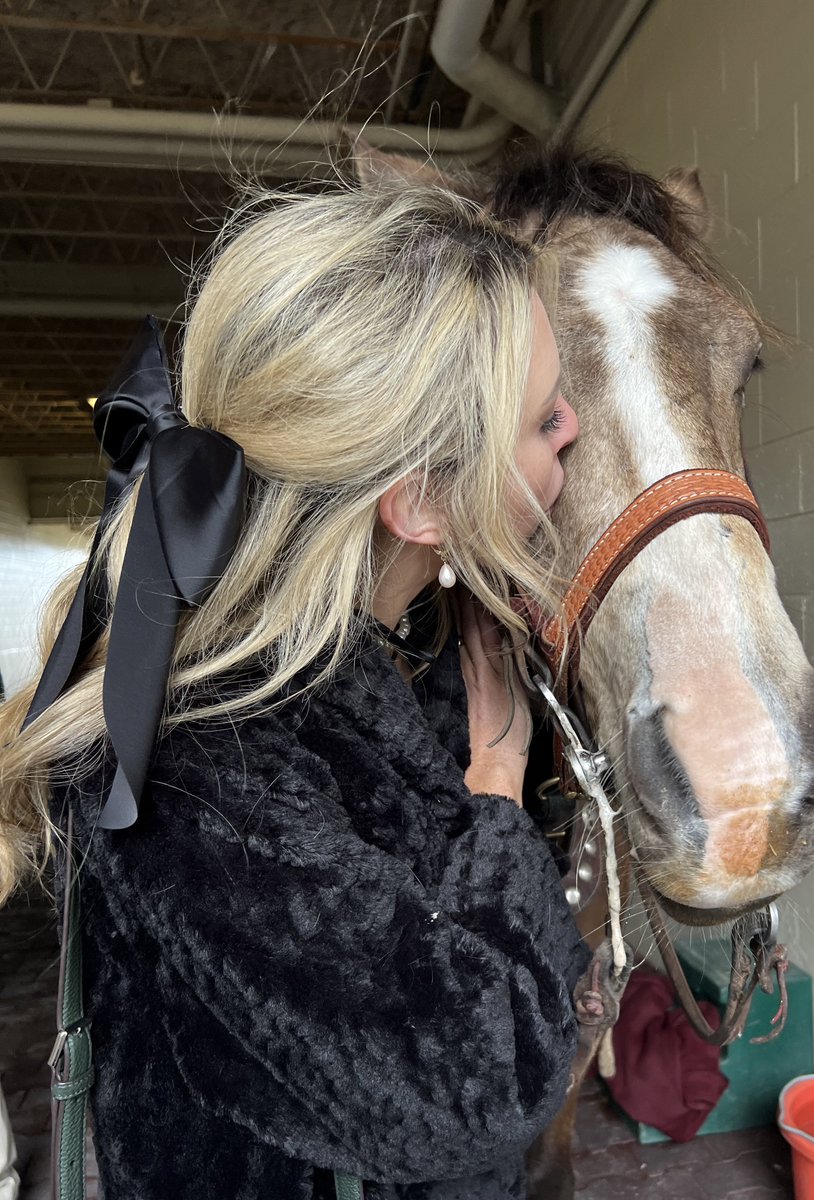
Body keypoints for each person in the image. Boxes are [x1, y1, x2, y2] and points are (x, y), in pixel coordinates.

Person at [0, 183, 591, 1199]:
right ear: (419, 501)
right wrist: (496, 787)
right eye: (543, 416)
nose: (575, 426)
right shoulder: (204, 770)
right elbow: (480, 1081)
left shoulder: (405, 650)